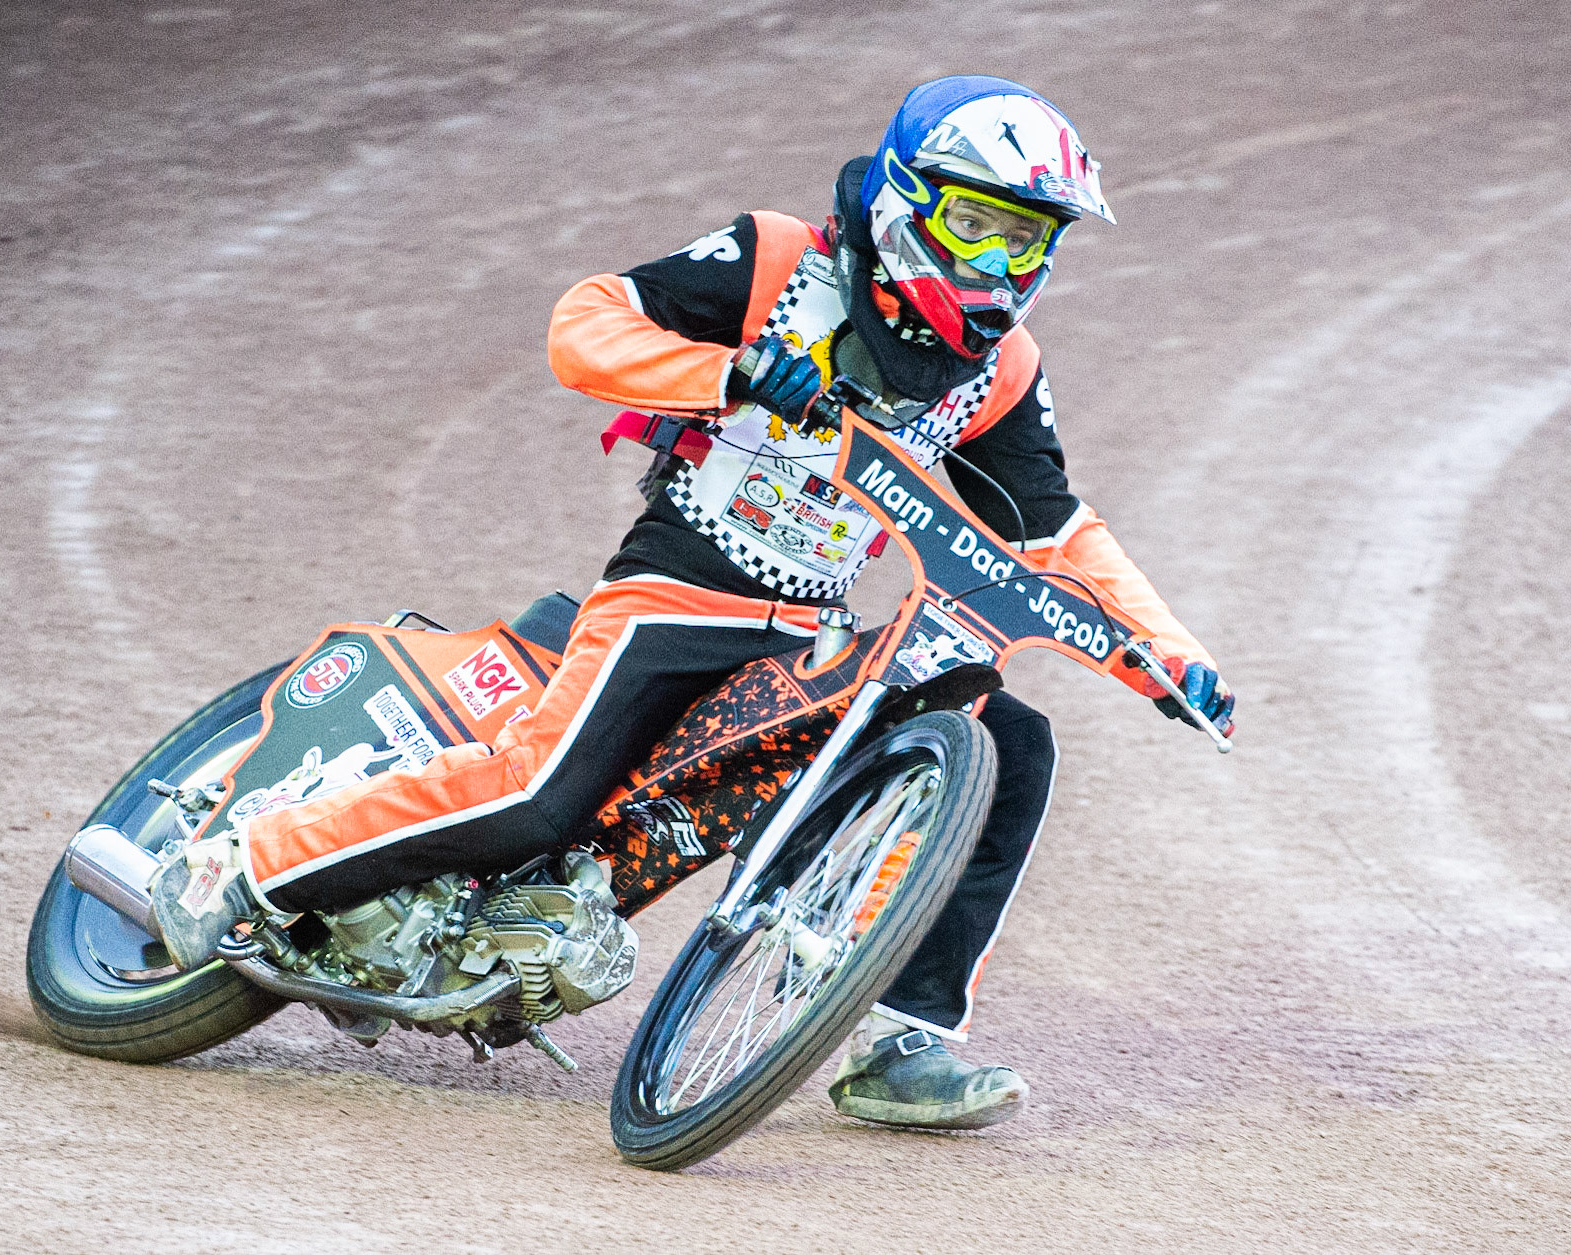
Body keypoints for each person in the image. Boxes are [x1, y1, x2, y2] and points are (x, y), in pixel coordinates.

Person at [148, 76, 1234, 1132]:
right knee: (538, 797)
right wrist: (732, 376)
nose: (1005, 265)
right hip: (678, 585)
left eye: (1033, 239)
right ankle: (250, 861)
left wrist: (1171, 657)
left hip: (806, 632)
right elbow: (586, 322)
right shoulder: (779, 262)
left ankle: (901, 1041)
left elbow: (1057, 531)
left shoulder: (997, 370)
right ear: (908, 198)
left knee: (1013, 744)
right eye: (981, 223)